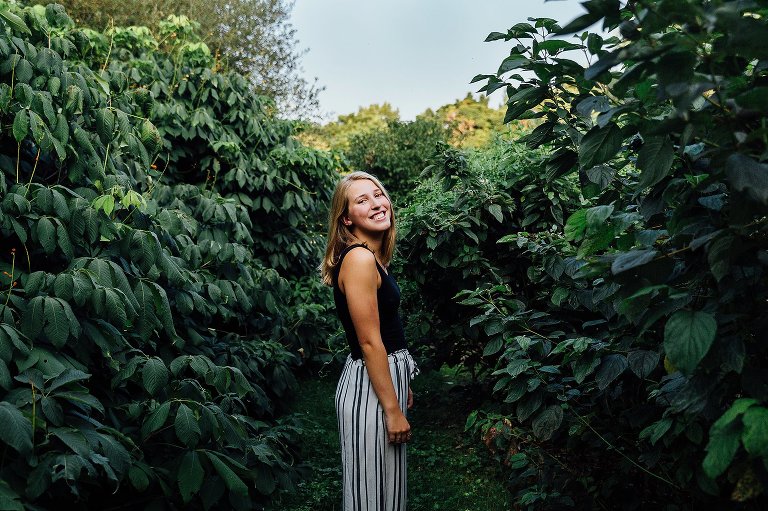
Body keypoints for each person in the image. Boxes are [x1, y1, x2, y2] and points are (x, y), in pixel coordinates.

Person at [321, 171, 418, 511]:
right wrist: (391, 411)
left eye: (378, 194)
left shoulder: (374, 258)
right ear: (346, 218)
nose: (377, 203)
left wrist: (399, 383)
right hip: (368, 390)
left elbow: (389, 331)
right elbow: (369, 342)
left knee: (387, 496)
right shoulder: (360, 259)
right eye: (362, 200)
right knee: (371, 500)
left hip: (381, 382)